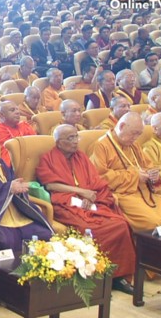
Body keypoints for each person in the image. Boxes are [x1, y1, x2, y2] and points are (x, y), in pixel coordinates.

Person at [36, 124, 136, 294]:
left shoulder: (81, 156)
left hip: (90, 200)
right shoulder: (49, 158)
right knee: (88, 229)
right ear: (59, 142)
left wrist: (92, 195)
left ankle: (119, 277)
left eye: (77, 137)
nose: (76, 142)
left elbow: (96, 180)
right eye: (71, 138)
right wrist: (81, 192)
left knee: (120, 224)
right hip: (66, 202)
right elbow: (50, 184)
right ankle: (96, 278)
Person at [90, 112, 161, 231]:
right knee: (155, 223)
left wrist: (153, 176)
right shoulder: (101, 146)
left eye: (138, 134)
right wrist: (135, 176)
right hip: (124, 196)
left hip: (147, 194)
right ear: (122, 126)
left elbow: (149, 166)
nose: (135, 138)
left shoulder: (134, 145)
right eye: (134, 134)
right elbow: (100, 178)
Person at [0, 101, 36, 165]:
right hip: (14, 164)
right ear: (2, 115)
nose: (17, 112)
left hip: (31, 159)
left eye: (17, 109)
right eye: (12, 110)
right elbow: (8, 154)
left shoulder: (24, 125)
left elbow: (35, 144)